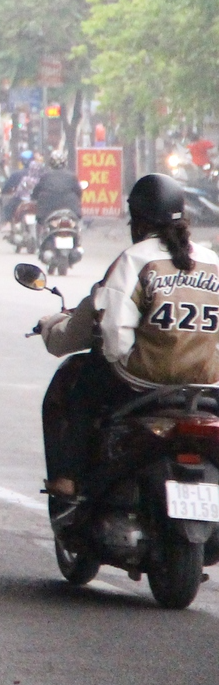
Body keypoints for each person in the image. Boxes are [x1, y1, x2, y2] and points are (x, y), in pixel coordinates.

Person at [38, 174, 219, 499]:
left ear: (137, 220)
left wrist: (116, 359)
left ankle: (67, 479)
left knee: (79, 391)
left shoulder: (134, 259)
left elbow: (114, 331)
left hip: (140, 383)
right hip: (206, 385)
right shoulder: (211, 261)